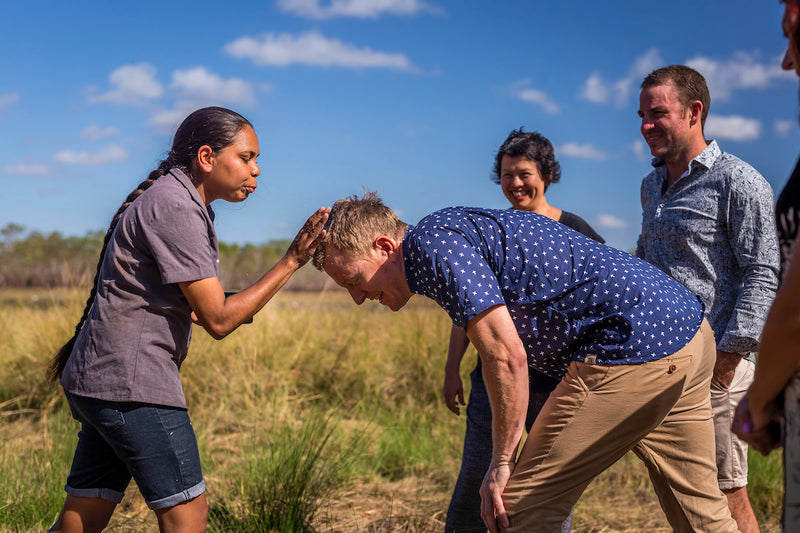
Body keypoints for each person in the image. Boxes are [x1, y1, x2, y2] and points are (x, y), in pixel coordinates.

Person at [312, 191, 739, 533]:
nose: (356, 297)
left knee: (518, 510)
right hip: (689, 335)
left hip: (633, 347)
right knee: (702, 514)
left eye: (353, 280)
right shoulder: (449, 231)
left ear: (385, 246)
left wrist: (501, 463)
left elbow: (505, 354)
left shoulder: (430, 245)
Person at [46, 106, 329, 533]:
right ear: (206, 158)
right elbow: (217, 320)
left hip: (98, 380)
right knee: (189, 515)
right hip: (132, 385)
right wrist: (293, 261)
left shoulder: (172, 198)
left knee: (83, 517)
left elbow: (199, 305)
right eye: (247, 157)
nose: (256, 171)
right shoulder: (176, 206)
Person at [635, 64, 780, 533]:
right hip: (665, 367)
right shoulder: (650, 186)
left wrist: (728, 359)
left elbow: (764, 271)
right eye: (641, 115)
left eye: (657, 113)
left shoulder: (739, 181)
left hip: (718, 370)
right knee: (679, 492)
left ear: (694, 112)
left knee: (724, 490)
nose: (645, 126)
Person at [443, 129, 603, 533]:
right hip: (493, 380)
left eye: (524, 173)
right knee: (476, 478)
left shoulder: (575, 230)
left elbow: (602, 297)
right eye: (507, 174)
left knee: (545, 486)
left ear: (546, 174)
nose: (516, 183)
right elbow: (467, 309)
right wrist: (451, 371)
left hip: (556, 384)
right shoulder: (492, 231)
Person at [733, 1, 800, 530]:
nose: (785, 61)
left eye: (790, 33)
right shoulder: (650, 188)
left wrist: (755, 398)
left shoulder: (739, 180)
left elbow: (781, 293)